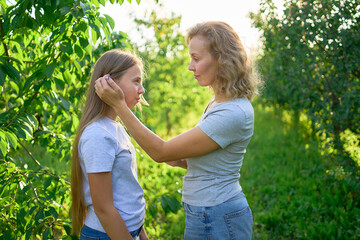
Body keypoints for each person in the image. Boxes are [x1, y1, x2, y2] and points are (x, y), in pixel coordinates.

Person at [95, 21, 262, 240]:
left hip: (218, 215)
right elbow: (212, 161)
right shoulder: (218, 103)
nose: (190, 67)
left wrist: (119, 106)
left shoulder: (232, 112)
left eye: (196, 58)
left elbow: (161, 152)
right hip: (206, 211)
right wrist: (183, 159)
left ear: (221, 59)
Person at [71, 49, 149, 240]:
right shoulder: (98, 134)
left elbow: (127, 192)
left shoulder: (116, 127)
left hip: (128, 231)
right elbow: (104, 209)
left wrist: (142, 233)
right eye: (136, 81)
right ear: (109, 82)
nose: (142, 90)